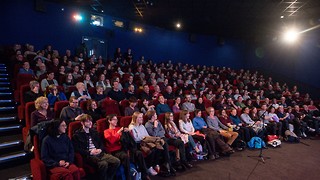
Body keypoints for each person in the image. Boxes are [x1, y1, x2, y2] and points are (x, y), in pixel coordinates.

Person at [72, 114, 120, 180]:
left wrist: (100, 149)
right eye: (87, 121)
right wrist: (90, 152)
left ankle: (108, 178)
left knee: (116, 161)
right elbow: (77, 149)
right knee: (103, 164)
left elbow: (101, 143)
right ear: (82, 123)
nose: (90, 123)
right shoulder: (77, 134)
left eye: (90, 121)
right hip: (89, 155)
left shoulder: (94, 132)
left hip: (99, 153)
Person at [104, 114, 152, 180]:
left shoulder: (119, 128)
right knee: (125, 156)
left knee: (139, 153)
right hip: (116, 150)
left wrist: (129, 131)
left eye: (116, 119)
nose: (116, 121)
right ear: (109, 121)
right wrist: (119, 132)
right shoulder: (106, 131)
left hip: (125, 148)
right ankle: (128, 177)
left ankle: (144, 174)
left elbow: (129, 139)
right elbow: (111, 141)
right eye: (114, 120)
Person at [128, 112, 162, 176]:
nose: (141, 118)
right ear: (135, 118)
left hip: (145, 142)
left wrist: (145, 137)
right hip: (138, 144)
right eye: (140, 117)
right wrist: (144, 137)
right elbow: (136, 139)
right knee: (152, 150)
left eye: (142, 117)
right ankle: (148, 167)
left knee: (158, 147)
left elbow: (147, 135)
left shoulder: (142, 126)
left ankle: (154, 164)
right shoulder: (132, 127)